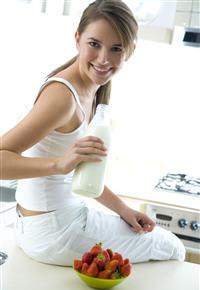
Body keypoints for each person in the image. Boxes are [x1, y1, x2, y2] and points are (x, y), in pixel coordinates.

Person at [0, 0, 185, 266]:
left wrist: (123, 210)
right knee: (172, 246)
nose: (104, 59)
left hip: (48, 226)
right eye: (94, 44)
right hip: (56, 232)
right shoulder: (63, 97)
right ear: (77, 39)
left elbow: (82, 174)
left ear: (129, 51)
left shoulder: (90, 91)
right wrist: (59, 164)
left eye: (116, 48)